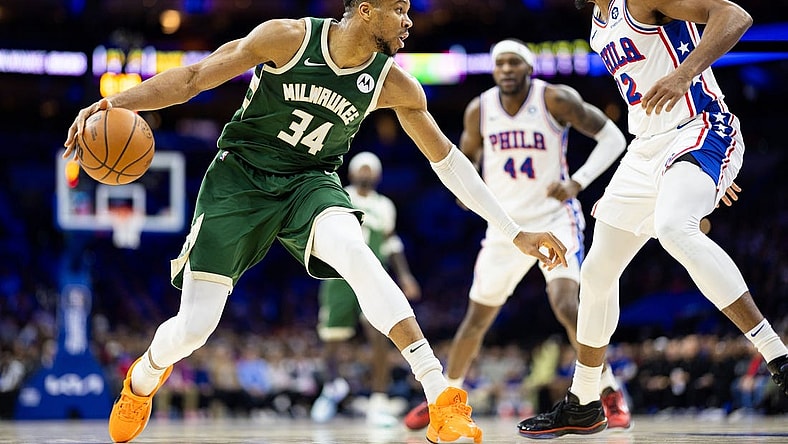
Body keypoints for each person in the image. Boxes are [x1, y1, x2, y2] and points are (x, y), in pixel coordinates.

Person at [63, 1, 569, 443]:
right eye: (400, 9)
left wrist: (514, 231)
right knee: (194, 329)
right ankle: (143, 379)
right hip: (240, 179)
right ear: (365, 10)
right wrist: (113, 102)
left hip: (311, 182)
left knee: (356, 251)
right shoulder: (288, 38)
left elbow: (450, 161)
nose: (409, 22)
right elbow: (194, 80)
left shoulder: (394, 84)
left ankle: (440, 393)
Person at [518, 0, 788, 439]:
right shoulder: (596, 24)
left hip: (698, 125)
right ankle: (584, 401)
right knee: (597, 272)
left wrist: (685, 75)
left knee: (673, 228)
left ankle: (778, 356)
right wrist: (696, 178)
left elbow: (735, 16)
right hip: (646, 149)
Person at [403, 38, 630, 431]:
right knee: (475, 319)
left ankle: (606, 391)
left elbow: (613, 137)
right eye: (500, 64)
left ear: (528, 68)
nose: (506, 69)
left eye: (513, 63)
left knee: (565, 304)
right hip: (505, 227)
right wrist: (465, 192)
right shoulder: (479, 110)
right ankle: (446, 396)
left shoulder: (554, 99)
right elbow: (464, 158)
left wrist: (578, 181)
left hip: (555, 219)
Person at [311, 151, 421, 426]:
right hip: (338, 276)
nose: (365, 173)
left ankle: (378, 400)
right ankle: (330, 391)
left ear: (378, 175)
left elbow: (392, 244)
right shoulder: (338, 195)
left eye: (370, 169)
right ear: (351, 173)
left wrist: (405, 276)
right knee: (333, 338)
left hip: (372, 275)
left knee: (379, 335)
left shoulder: (384, 206)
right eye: (361, 168)